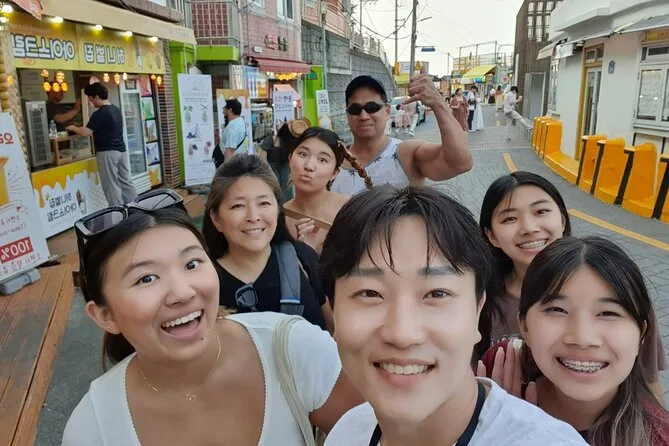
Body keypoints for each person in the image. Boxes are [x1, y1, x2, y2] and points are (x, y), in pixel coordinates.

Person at [63, 189, 363, 445]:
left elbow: (374, 434)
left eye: (192, 264)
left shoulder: (291, 349)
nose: (182, 292)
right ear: (104, 316)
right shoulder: (94, 427)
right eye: (146, 279)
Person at [319, 185, 588, 446]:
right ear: (334, 312)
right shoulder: (349, 431)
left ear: (478, 309)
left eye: (436, 293)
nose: (402, 334)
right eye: (370, 293)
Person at [478, 171, 667, 400]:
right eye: (510, 218)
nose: (529, 227)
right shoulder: (479, 301)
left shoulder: (620, 288)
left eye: (541, 211)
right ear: (491, 235)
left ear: (562, 220)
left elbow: (648, 382)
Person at [479, 236, 669, 445]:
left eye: (608, 313)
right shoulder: (501, 367)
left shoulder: (657, 439)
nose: (582, 338)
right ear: (524, 327)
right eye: (557, 310)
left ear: (642, 334)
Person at [202, 154, 334, 331]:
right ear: (216, 218)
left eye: (263, 203)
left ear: (278, 208)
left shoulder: (304, 260)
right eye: (238, 206)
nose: (253, 216)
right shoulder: (203, 281)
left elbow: (331, 329)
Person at [331, 75, 472, 195]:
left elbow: (460, 163)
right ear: (347, 115)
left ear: (387, 111)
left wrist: (438, 103)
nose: (363, 116)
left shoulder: (406, 154)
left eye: (372, 107)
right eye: (355, 109)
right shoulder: (330, 161)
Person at [283, 127, 371, 254]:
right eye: (303, 154)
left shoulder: (352, 211)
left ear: (334, 173)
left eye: (322, 160)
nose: (309, 166)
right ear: (290, 158)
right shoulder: (278, 218)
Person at [67, 82, 137, 206]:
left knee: (111, 184)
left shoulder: (99, 114)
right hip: (121, 151)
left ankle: (117, 212)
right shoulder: (116, 109)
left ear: (96, 96)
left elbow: (86, 132)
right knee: (126, 181)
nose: (90, 101)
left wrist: (73, 128)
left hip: (107, 153)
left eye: (90, 98)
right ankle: (136, 206)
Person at [258, 119, 308, 204]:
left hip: (277, 175)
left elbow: (261, 159)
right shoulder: (275, 141)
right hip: (279, 175)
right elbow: (261, 160)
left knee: (277, 201)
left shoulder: (272, 140)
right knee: (281, 200)